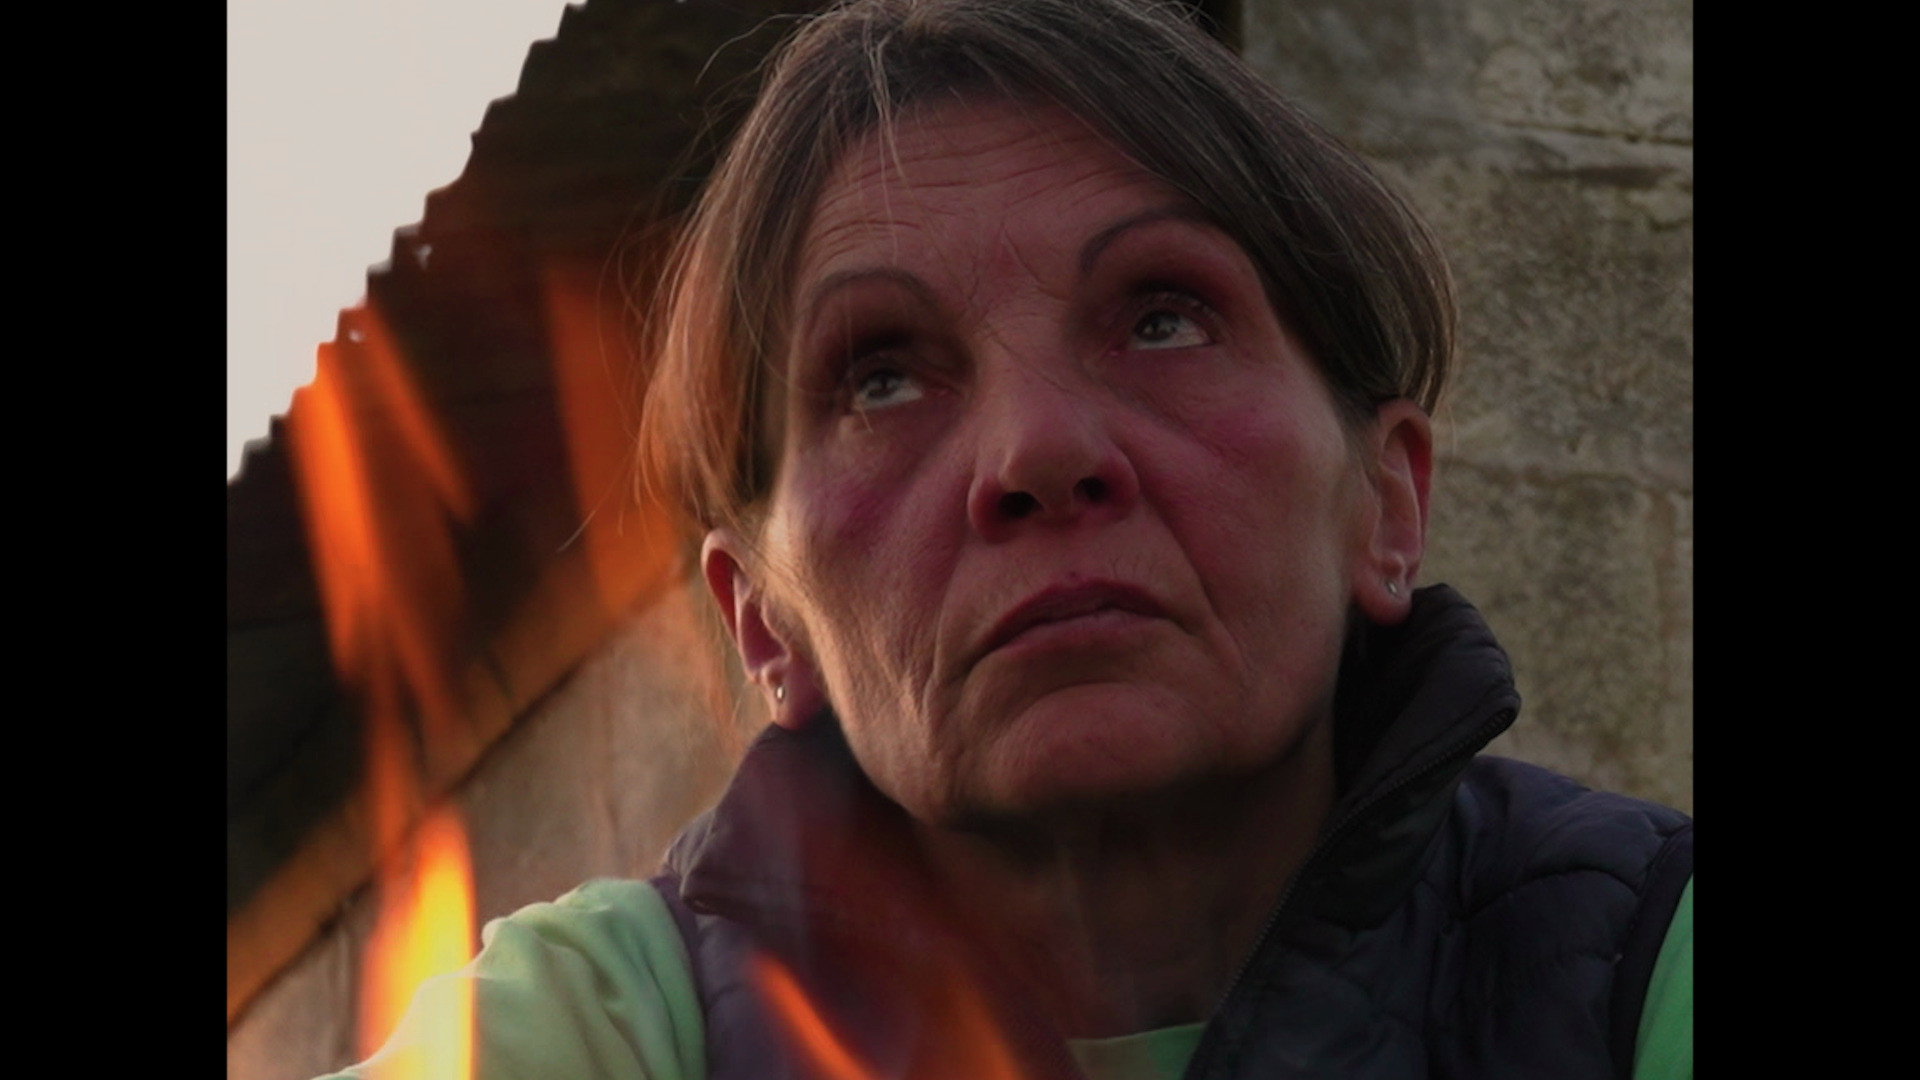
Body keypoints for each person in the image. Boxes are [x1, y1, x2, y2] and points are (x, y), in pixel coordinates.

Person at [328, 1, 1693, 1077]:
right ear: (764, 623)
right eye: (881, 378)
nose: (1038, 453)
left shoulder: (1645, 965)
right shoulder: (601, 1029)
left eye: (1163, 318)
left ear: (1387, 502)